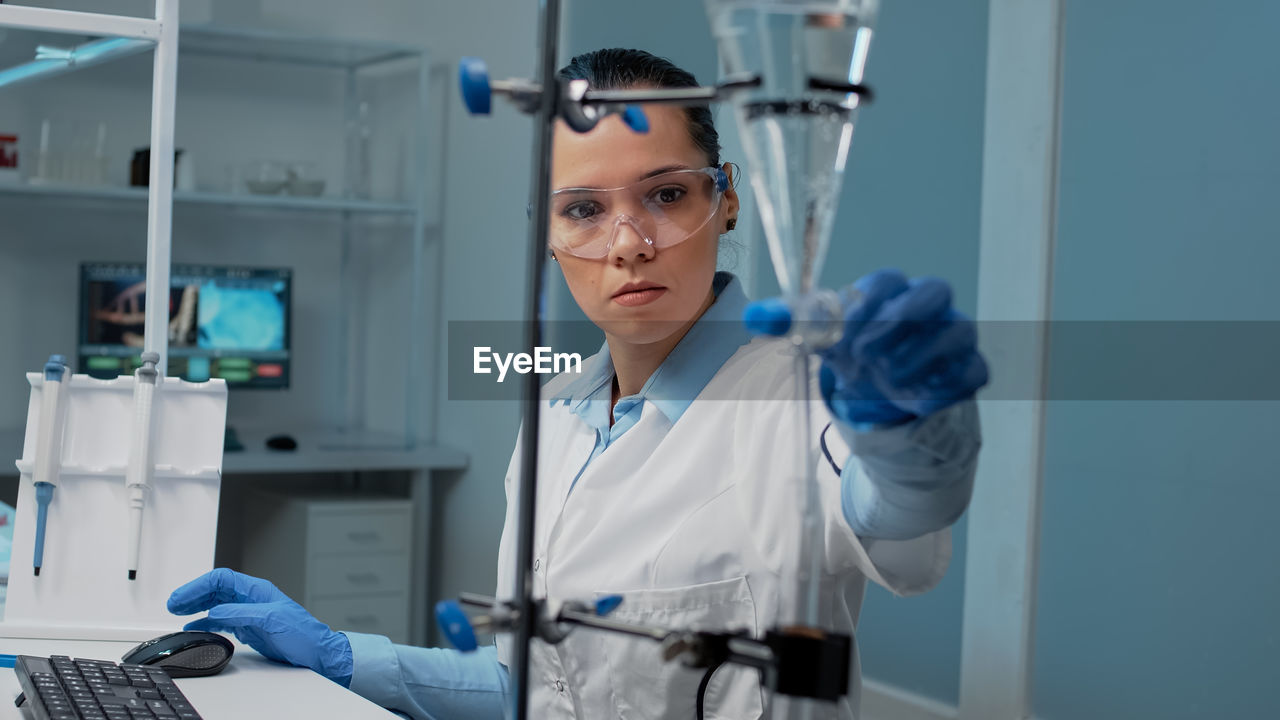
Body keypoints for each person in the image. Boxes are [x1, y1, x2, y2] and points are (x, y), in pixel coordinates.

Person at [165, 48, 988, 719]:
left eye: (665, 194)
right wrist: (345, 658)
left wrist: (918, 435)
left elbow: (900, 513)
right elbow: (534, 691)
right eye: (584, 209)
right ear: (549, 235)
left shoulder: (806, 402)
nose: (628, 242)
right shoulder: (558, 419)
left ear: (726, 199)